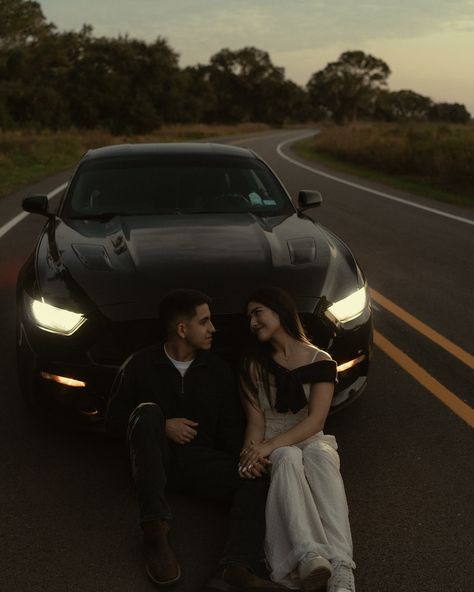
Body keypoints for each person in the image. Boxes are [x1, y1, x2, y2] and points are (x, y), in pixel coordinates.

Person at [105, 289, 285, 591]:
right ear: (182, 328)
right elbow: (112, 424)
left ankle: (234, 568)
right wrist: (163, 425)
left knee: (256, 478)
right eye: (205, 322)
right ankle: (156, 533)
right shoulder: (140, 365)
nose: (213, 329)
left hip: (200, 462)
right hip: (154, 461)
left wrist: (246, 461)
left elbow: (231, 427)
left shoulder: (217, 370)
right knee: (149, 413)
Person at [239, 286, 356, 592]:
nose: (252, 322)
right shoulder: (253, 364)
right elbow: (256, 421)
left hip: (309, 436)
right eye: (249, 317)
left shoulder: (321, 360)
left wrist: (269, 445)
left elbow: (316, 419)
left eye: (257, 312)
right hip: (273, 440)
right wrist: (250, 452)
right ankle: (309, 556)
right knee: (286, 457)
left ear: (279, 311)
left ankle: (342, 567)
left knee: (320, 455)